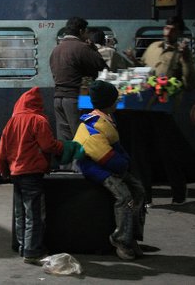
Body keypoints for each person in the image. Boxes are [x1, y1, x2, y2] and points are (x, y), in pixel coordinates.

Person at [0, 87, 84, 265]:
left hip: (15, 172)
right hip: (32, 172)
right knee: (34, 214)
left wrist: (4, 170)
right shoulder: (38, 120)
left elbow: (2, 151)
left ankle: (22, 247)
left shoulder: (11, 122)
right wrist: (64, 147)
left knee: (20, 212)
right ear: (37, 105)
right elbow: (47, 145)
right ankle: (32, 251)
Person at [121, 15, 195, 206]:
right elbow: (143, 72)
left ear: (179, 32)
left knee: (168, 153)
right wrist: (133, 61)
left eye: (172, 29)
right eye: (166, 27)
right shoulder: (153, 47)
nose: (167, 31)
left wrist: (186, 59)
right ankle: (144, 196)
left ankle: (179, 194)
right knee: (140, 154)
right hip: (142, 108)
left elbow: (190, 84)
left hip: (163, 110)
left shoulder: (182, 54)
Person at [73, 80, 146, 261]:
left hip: (106, 164)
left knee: (139, 191)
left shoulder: (105, 119)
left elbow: (115, 149)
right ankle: (120, 240)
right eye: (115, 99)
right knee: (124, 197)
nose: (117, 101)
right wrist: (123, 166)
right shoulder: (92, 126)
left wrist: (123, 164)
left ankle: (132, 235)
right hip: (94, 168)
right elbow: (105, 156)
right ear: (108, 102)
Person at [49, 17, 108, 141]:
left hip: (58, 99)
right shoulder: (82, 48)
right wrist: (93, 49)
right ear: (81, 31)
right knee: (82, 138)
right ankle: (80, 161)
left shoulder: (56, 50)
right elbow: (102, 67)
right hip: (76, 99)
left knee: (65, 141)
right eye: (86, 32)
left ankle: (67, 161)